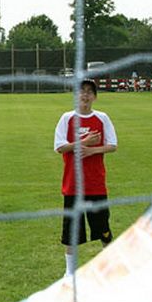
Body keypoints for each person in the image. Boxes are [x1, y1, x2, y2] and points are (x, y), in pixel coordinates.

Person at [53, 79, 118, 277]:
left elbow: (112, 145)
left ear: (95, 97)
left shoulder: (102, 118)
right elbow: (59, 147)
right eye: (81, 91)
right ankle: (70, 273)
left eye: (90, 92)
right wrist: (83, 142)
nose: (85, 95)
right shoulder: (67, 118)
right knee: (72, 232)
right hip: (73, 185)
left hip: (95, 184)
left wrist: (92, 150)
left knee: (103, 228)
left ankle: (110, 269)